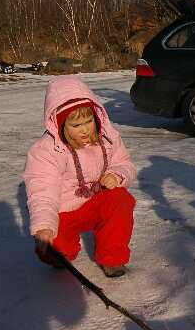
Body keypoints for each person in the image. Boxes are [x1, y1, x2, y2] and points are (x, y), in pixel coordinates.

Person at [24, 76, 137, 277]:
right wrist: (44, 227)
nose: (85, 129)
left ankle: (112, 258)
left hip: (95, 203)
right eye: (76, 126)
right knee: (57, 250)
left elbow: (125, 163)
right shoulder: (46, 151)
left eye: (88, 121)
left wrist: (117, 175)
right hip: (64, 212)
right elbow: (42, 192)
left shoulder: (108, 137)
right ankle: (58, 252)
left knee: (121, 199)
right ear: (60, 125)